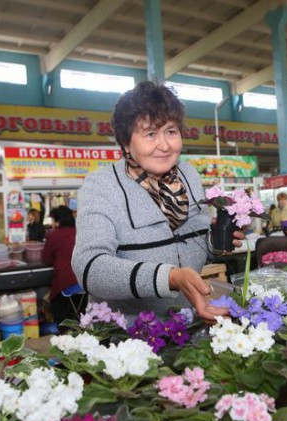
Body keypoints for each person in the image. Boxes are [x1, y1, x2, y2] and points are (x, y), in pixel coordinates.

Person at [71, 81, 242, 322]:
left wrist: (216, 242)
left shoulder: (188, 175)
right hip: (127, 338)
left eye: (171, 131)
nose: (164, 145)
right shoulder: (102, 185)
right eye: (150, 133)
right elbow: (90, 269)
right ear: (126, 142)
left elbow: (189, 246)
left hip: (187, 323)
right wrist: (169, 277)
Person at [42, 205, 83, 325]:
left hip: (66, 281)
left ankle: (62, 328)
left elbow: (47, 259)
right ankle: (78, 324)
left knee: (55, 300)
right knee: (78, 305)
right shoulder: (80, 232)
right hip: (85, 281)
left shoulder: (53, 236)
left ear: (58, 221)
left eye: (54, 220)